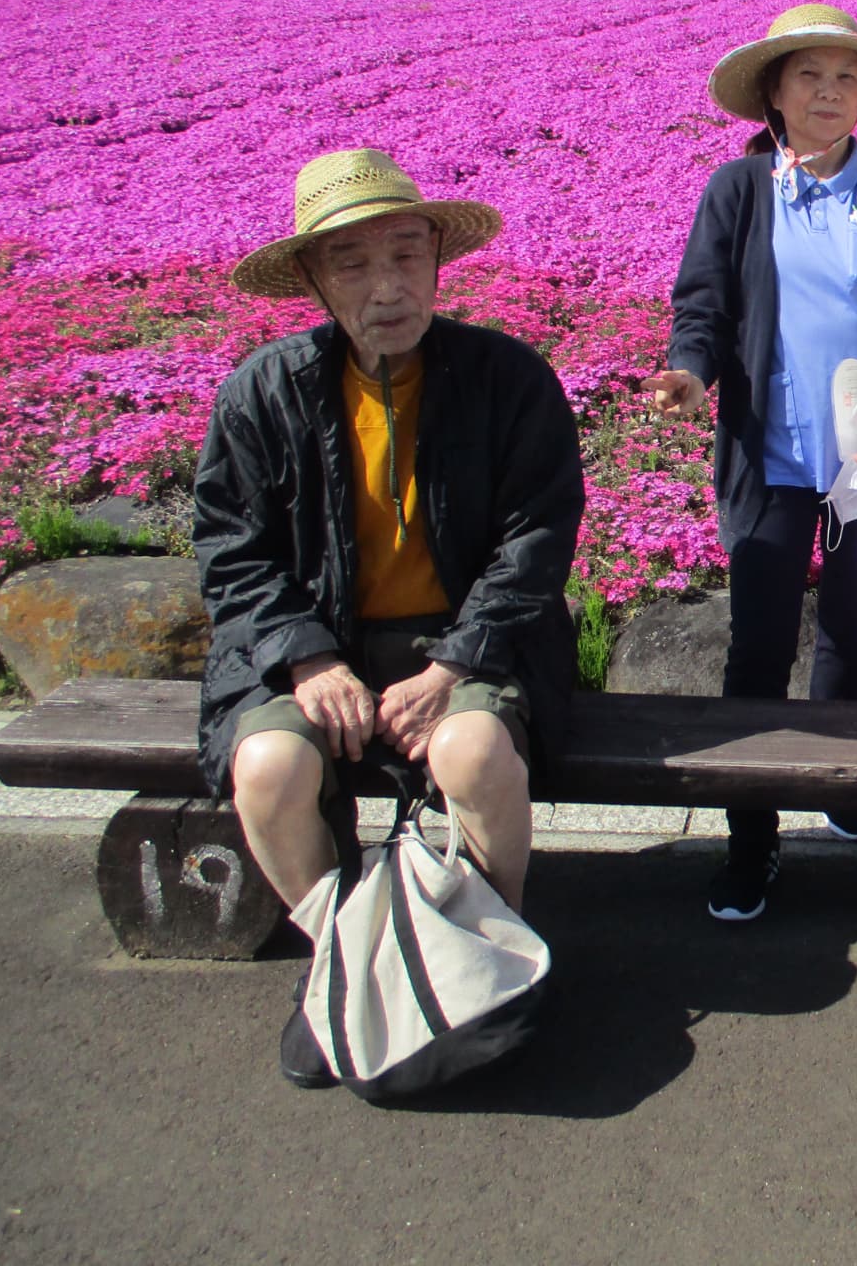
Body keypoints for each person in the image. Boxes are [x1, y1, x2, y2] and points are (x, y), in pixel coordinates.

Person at [194, 149, 584, 1089]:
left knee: (473, 756)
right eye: (355, 264)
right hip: (313, 644)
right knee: (270, 766)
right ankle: (350, 961)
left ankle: (485, 967)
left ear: (438, 263)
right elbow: (231, 550)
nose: (387, 286)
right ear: (317, 280)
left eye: (407, 256)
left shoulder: (507, 377)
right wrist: (306, 661)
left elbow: (536, 540)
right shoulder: (265, 389)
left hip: (468, 641)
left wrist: (454, 665)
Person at [653, 5, 857, 923]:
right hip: (772, 455)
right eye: (807, 77)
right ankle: (752, 842)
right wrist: (689, 371)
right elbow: (702, 302)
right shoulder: (738, 190)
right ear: (774, 95)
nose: (828, 93)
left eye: (845, 79)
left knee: (854, 635)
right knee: (756, 647)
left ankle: (842, 787)